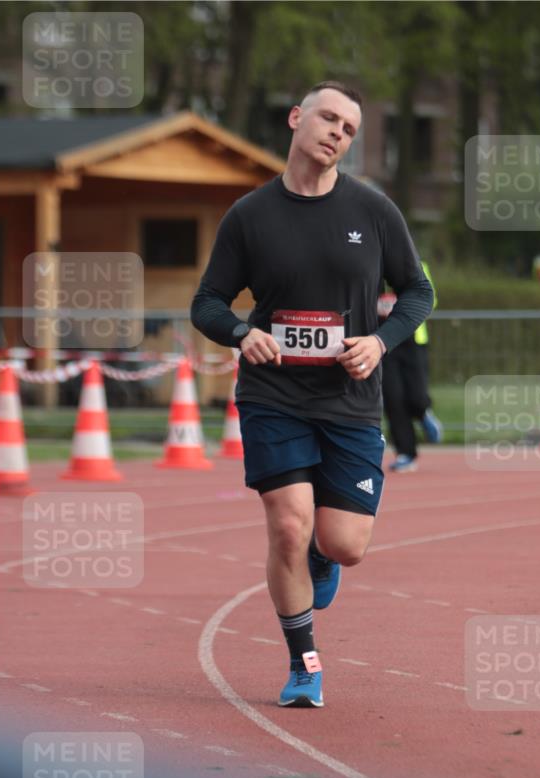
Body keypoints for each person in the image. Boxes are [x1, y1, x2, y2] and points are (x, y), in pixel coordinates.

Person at [191, 81, 433, 708]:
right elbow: (207, 302)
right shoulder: (250, 215)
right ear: (297, 118)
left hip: (350, 400)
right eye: (328, 118)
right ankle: (305, 664)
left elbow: (417, 292)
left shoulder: (375, 212)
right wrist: (243, 334)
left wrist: (379, 342)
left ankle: (323, 558)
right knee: (287, 525)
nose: (337, 133)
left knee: (343, 545)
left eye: (349, 129)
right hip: (274, 395)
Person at [380, 260, 442, 472]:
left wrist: (399, 302)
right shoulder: (367, 261)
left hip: (413, 339)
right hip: (381, 341)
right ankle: (406, 452)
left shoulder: (417, 263)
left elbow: (429, 299)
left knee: (415, 395)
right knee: (393, 397)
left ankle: (423, 412)